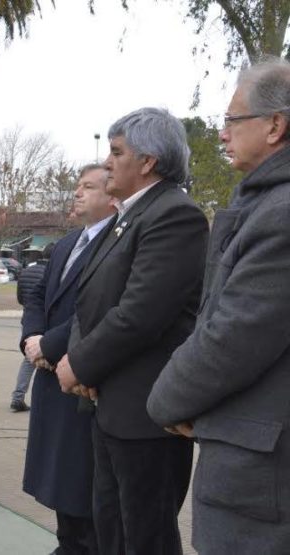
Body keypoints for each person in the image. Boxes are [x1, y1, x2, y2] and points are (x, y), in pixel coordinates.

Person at [147, 58, 290, 555]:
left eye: (233, 120)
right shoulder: (264, 203)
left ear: (275, 125)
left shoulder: (281, 213)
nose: (223, 133)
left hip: (262, 475)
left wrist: (167, 401)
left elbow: (233, 336)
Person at [54, 108, 208, 555]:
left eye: (116, 153)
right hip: (110, 404)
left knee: (146, 536)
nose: (106, 164)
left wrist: (78, 363)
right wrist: (83, 367)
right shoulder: (128, 217)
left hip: (147, 414)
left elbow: (139, 314)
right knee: (113, 531)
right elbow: (91, 300)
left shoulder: (175, 215)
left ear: (148, 161)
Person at [21, 165, 116, 555]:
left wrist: (50, 345)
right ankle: (67, 543)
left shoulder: (114, 241)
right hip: (50, 370)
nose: (77, 193)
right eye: (76, 186)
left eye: (87, 187)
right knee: (58, 474)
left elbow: (95, 309)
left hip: (78, 372)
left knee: (81, 477)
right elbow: (38, 295)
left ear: (113, 197)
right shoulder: (66, 243)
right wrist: (31, 339)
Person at [10, 242, 54, 412]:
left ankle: (18, 395)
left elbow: (20, 297)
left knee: (29, 358)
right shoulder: (52, 273)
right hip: (47, 320)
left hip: (29, 319)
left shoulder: (26, 271)